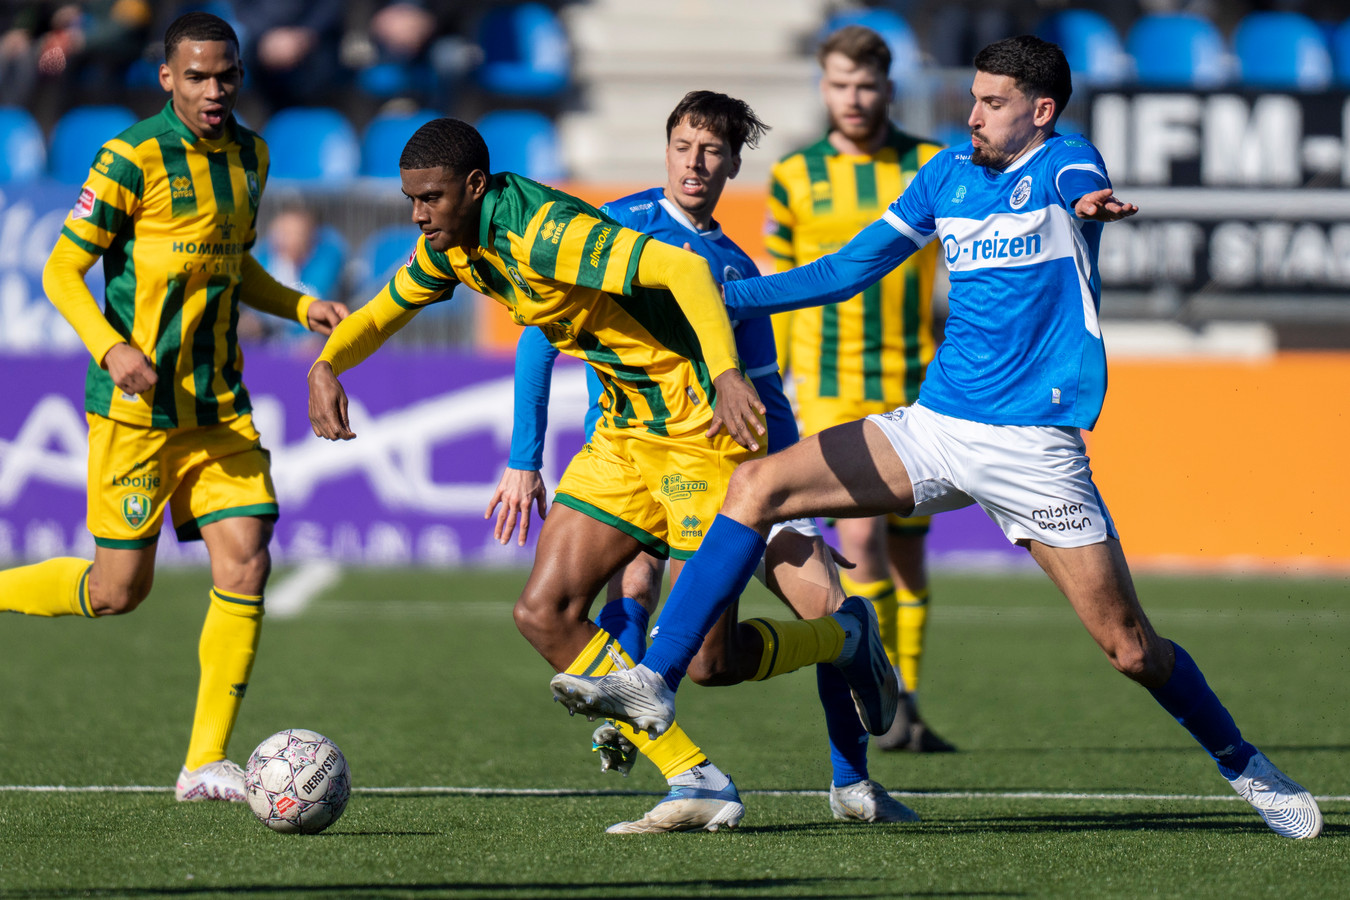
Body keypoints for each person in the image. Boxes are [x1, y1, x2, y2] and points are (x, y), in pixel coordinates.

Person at [549, 35, 1324, 841]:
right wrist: (727, 294)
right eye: (974, 98)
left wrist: (1093, 202)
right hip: (937, 426)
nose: (974, 114)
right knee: (757, 487)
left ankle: (1248, 768)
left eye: (993, 103)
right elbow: (845, 271)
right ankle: (656, 680)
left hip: (1034, 450)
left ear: (1041, 111)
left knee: (1131, 650)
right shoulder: (946, 175)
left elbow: (1081, 178)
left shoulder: (1064, 165)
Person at [307, 116, 897, 833]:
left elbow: (683, 271)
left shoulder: (549, 233)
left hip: (695, 432)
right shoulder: (458, 244)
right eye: (410, 199)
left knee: (711, 662)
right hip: (621, 435)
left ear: (473, 186)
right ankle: (695, 778)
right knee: (542, 612)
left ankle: (847, 636)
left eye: (429, 198)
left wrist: (728, 375)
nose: (417, 215)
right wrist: (328, 363)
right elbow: (384, 308)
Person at [487, 90, 916, 826]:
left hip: (727, 468)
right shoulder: (615, 225)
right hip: (628, 462)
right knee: (605, 596)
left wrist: (791, 493)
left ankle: (852, 781)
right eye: (684, 145)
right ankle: (678, 768)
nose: (695, 162)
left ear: (732, 164)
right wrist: (524, 458)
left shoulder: (731, 267)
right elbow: (537, 336)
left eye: (712, 151)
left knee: (774, 629)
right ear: (666, 149)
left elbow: (763, 394)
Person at [0, 11, 348, 802]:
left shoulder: (253, 156)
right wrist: (110, 347)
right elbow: (61, 270)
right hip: (135, 412)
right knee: (116, 592)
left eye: (226, 75)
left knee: (248, 556)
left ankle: (204, 762)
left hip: (218, 405)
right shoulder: (131, 157)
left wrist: (298, 307)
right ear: (167, 78)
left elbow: (235, 265)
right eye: (196, 76)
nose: (214, 90)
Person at [768, 24, 951, 752]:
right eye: (840, 85)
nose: (854, 98)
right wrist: (769, 384)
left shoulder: (930, 165)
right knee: (865, 545)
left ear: (888, 87)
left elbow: (959, 275)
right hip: (832, 389)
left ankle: (908, 697)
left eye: (867, 85)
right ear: (823, 87)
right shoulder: (792, 175)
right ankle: (880, 699)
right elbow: (778, 283)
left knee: (908, 552)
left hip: (918, 383)